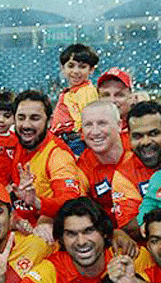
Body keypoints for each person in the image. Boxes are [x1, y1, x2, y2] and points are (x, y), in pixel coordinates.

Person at [10, 90, 85, 234]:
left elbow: (70, 202)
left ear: (49, 121)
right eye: (21, 118)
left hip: (46, 233)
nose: (26, 125)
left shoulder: (57, 155)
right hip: (20, 228)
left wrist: (37, 203)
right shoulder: (17, 143)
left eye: (35, 118)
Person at [76, 101, 143, 234]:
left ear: (119, 125)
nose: (95, 132)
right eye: (88, 125)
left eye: (102, 123)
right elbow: (77, 211)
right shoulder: (82, 166)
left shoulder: (140, 149)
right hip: (110, 237)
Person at [51, 43, 100, 144]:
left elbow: (86, 120)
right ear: (63, 68)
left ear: (91, 70)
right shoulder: (70, 92)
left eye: (82, 67)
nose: (76, 71)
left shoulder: (87, 91)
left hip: (76, 141)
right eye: (71, 66)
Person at [96, 67, 134, 132]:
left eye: (119, 95)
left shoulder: (142, 127)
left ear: (131, 97)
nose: (112, 100)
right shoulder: (89, 131)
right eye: (106, 95)